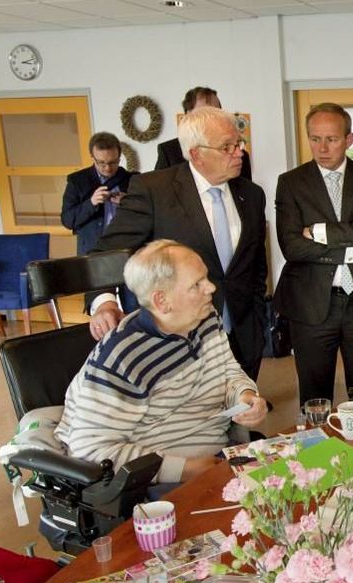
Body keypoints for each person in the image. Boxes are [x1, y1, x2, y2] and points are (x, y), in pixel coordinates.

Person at [56, 241, 268, 485]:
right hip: (162, 482)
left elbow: (228, 372)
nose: (210, 288)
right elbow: (90, 451)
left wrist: (245, 396)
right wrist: (184, 469)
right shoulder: (123, 358)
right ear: (162, 301)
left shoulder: (206, 317)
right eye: (196, 284)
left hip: (221, 456)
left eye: (206, 278)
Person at [89, 106, 269, 382]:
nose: (239, 152)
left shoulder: (252, 195)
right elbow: (106, 252)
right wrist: (103, 303)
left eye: (239, 143)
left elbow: (256, 264)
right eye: (227, 147)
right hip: (179, 339)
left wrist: (257, 315)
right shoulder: (154, 190)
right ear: (196, 154)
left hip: (244, 331)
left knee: (240, 412)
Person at [274, 102, 353, 406]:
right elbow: (291, 246)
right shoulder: (290, 183)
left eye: (331, 139)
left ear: (349, 139)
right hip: (311, 303)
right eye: (315, 138)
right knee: (315, 398)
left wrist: (318, 232)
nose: (322, 147)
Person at [60, 132, 138, 311]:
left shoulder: (133, 179)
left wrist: (128, 202)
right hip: (95, 252)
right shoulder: (77, 181)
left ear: (119, 157)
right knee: (101, 308)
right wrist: (91, 203)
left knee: (134, 306)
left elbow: (148, 214)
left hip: (129, 250)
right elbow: (68, 220)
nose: (108, 168)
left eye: (113, 162)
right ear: (92, 157)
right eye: (101, 162)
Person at [155, 86, 253, 181]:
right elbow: (159, 192)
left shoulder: (240, 156)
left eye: (216, 112)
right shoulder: (169, 151)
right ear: (188, 117)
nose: (212, 118)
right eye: (204, 113)